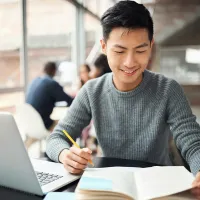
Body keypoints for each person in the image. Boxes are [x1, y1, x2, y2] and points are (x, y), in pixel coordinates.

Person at [46, 1, 200, 187]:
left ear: (151, 46)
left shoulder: (168, 90)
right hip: (109, 184)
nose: (129, 62)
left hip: (158, 185)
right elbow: (56, 138)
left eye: (140, 50)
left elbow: (192, 142)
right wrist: (65, 154)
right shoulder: (91, 91)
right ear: (103, 46)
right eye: (119, 50)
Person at [26, 61, 73, 132]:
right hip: (43, 123)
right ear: (54, 71)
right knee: (68, 125)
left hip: (29, 123)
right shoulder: (52, 84)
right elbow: (70, 101)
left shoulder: (34, 81)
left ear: (44, 70)